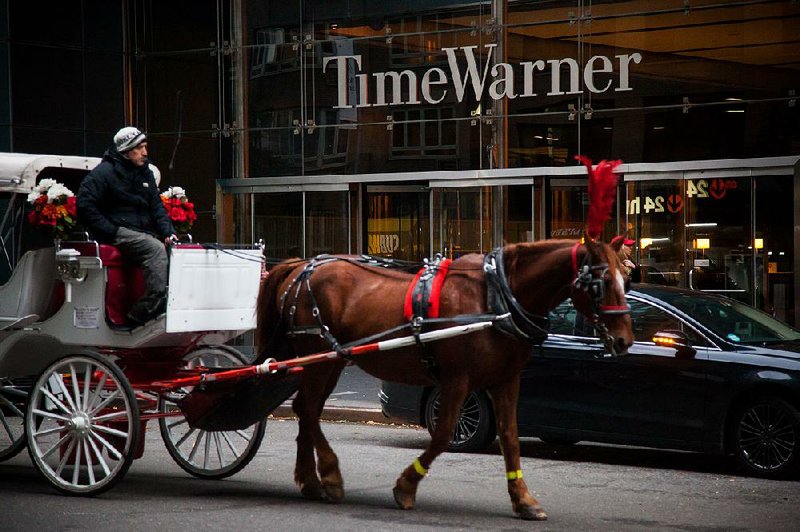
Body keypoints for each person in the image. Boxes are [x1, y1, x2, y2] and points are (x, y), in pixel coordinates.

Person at [77, 126, 176, 325]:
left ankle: (169, 303)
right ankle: (142, 312)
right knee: (155, 249)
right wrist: (110, 230)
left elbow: (156, 206)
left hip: (141, 231)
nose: (145, 153)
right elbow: (84, 205)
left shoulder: (144, 172)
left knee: (176, 249)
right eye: (140, 148)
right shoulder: (103, 173)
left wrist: (168, 232)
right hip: (118, 231)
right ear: (126, 150)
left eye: (145, 147)